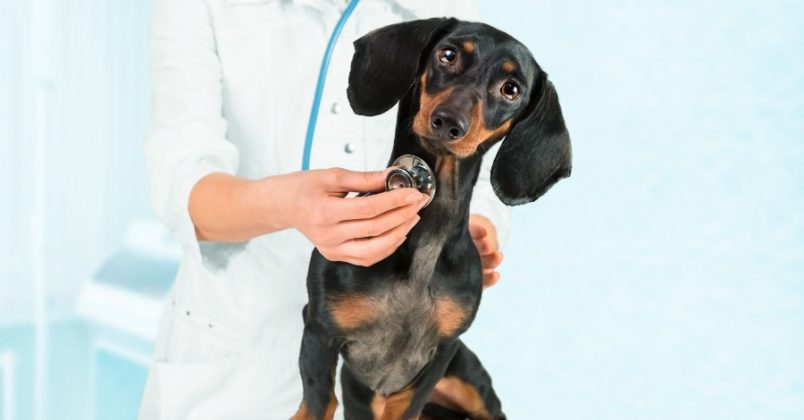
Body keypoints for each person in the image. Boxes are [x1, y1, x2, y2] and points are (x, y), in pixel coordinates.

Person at [137, 0, 510, 418]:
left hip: (386, 368)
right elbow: (184, 180)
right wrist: (289, 206)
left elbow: (474, 155)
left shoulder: (448, 9)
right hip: (237, 359)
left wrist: (476, 224)